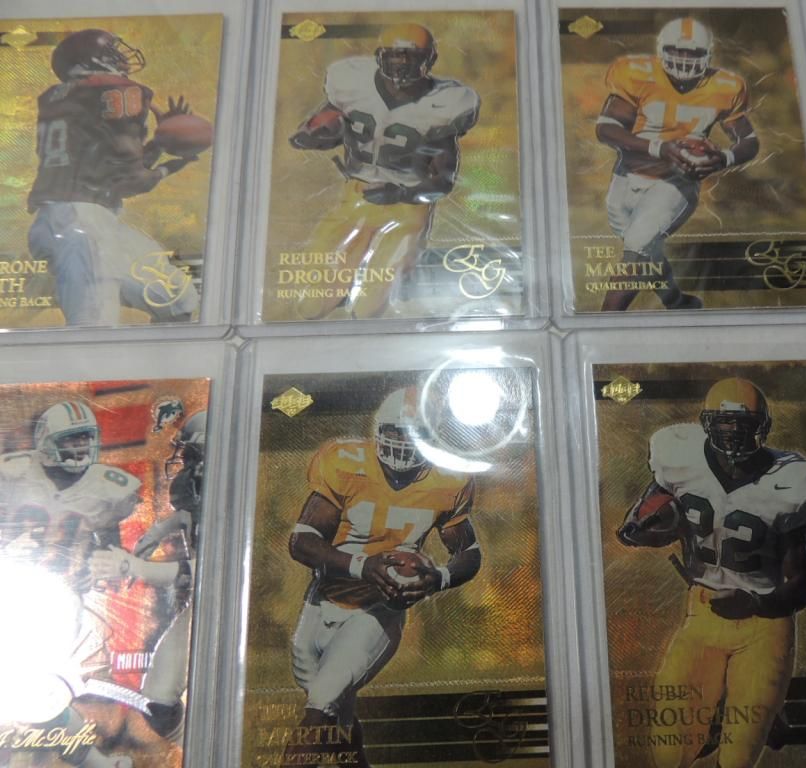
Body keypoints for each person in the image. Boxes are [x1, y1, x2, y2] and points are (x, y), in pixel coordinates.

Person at [617, 378, 806, 768]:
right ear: (707, 424)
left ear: (762, 427)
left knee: (735, 761)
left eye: (743, 424)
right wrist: (641, 528)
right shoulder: (680, 459)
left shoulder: (790, 482)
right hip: (702, 613)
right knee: (669, 754)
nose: (733, 432)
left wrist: (755, 603)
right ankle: (727, 713)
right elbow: (646, 519)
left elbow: (801, 585)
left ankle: (750, 710)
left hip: (764, 627)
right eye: (724, 422)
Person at [282, 387, 481, 766]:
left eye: (415, 434)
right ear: (378, 430)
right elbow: (303, 541)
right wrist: (362, 564)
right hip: (321, 602)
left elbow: (469, 553)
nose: (404, 444)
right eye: (396, 432)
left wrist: (438, 577)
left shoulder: (449, 479)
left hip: (378, 611)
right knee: (338, 716)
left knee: (318, 709)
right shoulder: (344, 461)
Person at [289, 23, 480, 319]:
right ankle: (346, 288)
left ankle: (400, 279)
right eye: (394, 55)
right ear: (379, 56)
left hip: (407, 208)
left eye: (411, 56)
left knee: (367, 310)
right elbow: (327, 125)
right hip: (356, 196)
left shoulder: (444, 102)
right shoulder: (352, 84)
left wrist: (399, 193)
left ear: (429, 59)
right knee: (310, 305)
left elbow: (442, 181)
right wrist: (312, 134)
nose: (401, 63)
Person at [0, 400, 141, 767]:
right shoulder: (13, 473)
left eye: (85, 439)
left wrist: (106, 561)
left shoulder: (109, 488)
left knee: (35, 693)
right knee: (31, 695)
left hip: (62, 599)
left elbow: (111, 543)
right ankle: (97, 762)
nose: (81, 448)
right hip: (10, 589)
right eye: (71, 440)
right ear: (46, 441)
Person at [27, 28, 201, 326]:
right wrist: (171, 164)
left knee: (176, 299)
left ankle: (164, 356)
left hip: (85, 218)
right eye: (112, 52)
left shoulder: (58, 97)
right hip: (81, 228)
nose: (121, 57)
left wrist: (160, 146)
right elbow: (132, 180)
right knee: (93, 329)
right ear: (90, 60)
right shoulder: (116, 91)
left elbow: (111, 167)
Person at [596, 18, 760, 311]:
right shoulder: (636, 74)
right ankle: (678, 302)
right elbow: (606, 128)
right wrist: (659, 148)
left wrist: (724, 158)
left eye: (693, 52)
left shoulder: (724, 86)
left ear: (708, 54)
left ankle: (605, 322)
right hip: (627, 176)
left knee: (636, 251)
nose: (684, 59)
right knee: (647, 250)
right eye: (677, 50)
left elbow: (748, 140)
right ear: (662, 50)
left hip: (676, 182)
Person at [89, 410, 206, 742]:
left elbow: (201, 573)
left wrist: (135, 567)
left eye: (192, 456)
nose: (185, 466)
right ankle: (189, 748)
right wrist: (141, 548)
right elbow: (165, 528)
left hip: (233, 612)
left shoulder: (235, 509)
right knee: (157, 700)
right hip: (202, 608)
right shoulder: (192, 512)